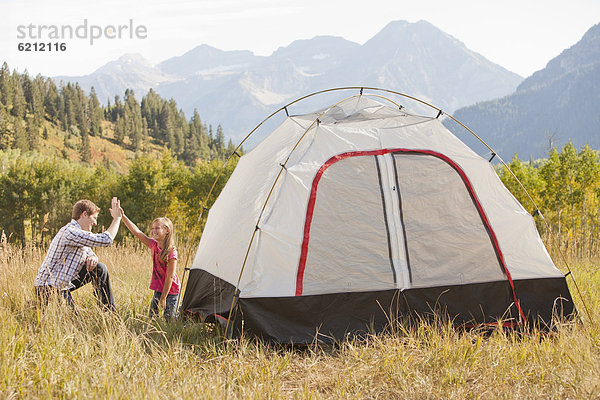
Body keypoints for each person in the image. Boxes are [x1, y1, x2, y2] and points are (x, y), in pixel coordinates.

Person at [34, 197, 122, 310]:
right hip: (49, 287)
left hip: (62, 284)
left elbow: (88, 251)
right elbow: (106, 240)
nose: (95, 223)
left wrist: (92, 257)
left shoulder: (79, 233)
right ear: (84, 214)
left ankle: (108, 311)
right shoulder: (70, 232)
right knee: (74, 321)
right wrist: (117, 219)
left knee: (99, 268)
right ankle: (38, 306)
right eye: (94, 218)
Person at [119, 208, 180, 322]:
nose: (153, 231)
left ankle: (180, 312)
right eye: (152, 228)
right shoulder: (153, 244)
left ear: (167, 230)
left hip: (171, 290)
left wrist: (164, 297)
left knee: (169, 319)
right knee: (152, 317)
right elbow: (137, 232)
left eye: (157, 228)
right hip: (159, 288)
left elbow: (169, 277)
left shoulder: (171, 252)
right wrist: (123, 216)